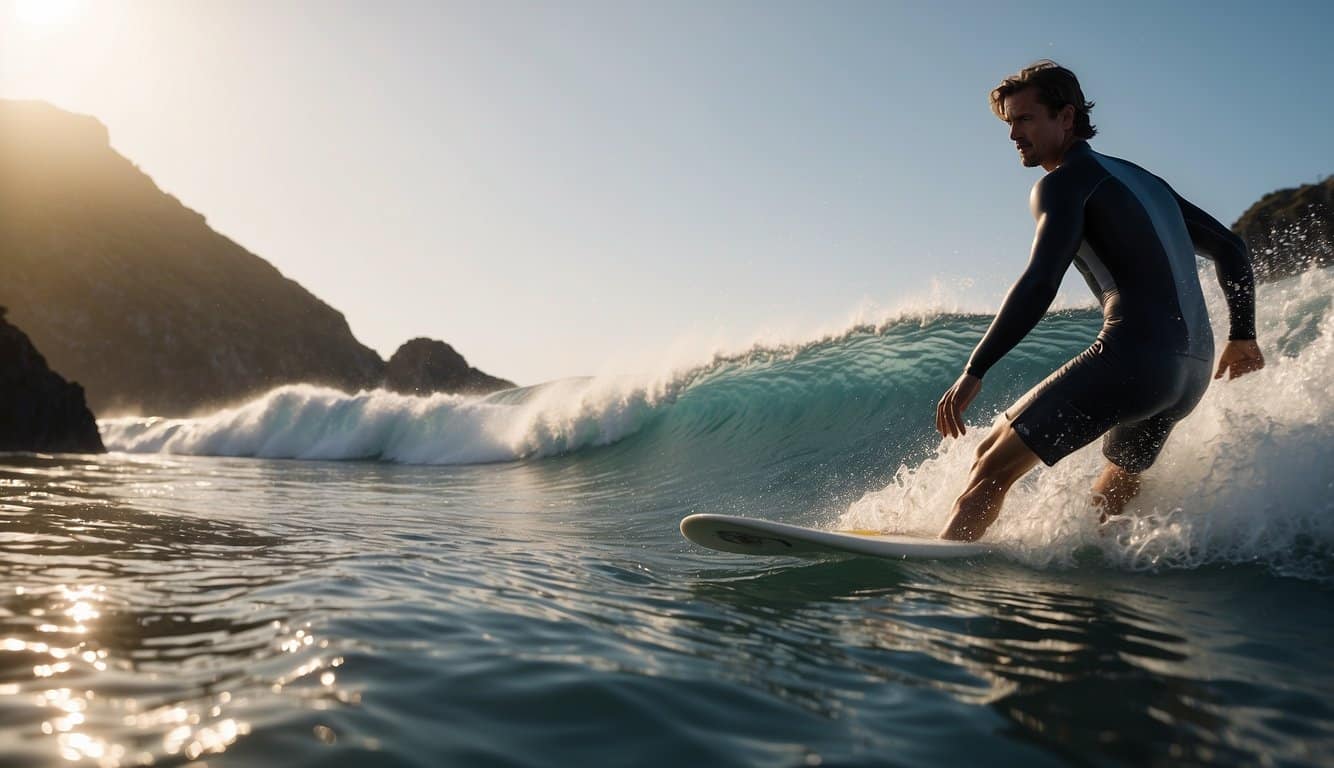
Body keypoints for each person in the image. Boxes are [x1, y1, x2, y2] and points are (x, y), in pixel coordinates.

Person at [934, 61, 1265, 542]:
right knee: (1108, 501)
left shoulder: (1063, 182)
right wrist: (1242, 336)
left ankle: (939, 584)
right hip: (1189, 374)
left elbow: (1041, 281)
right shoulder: (1142, 179)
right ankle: (1091, 582)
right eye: (1009, 123)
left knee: (990, 465)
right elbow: (1231, 247)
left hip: (1134, 358)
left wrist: (975, 369)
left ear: (1066, 118)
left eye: (1025, 119)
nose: (1013, 135)